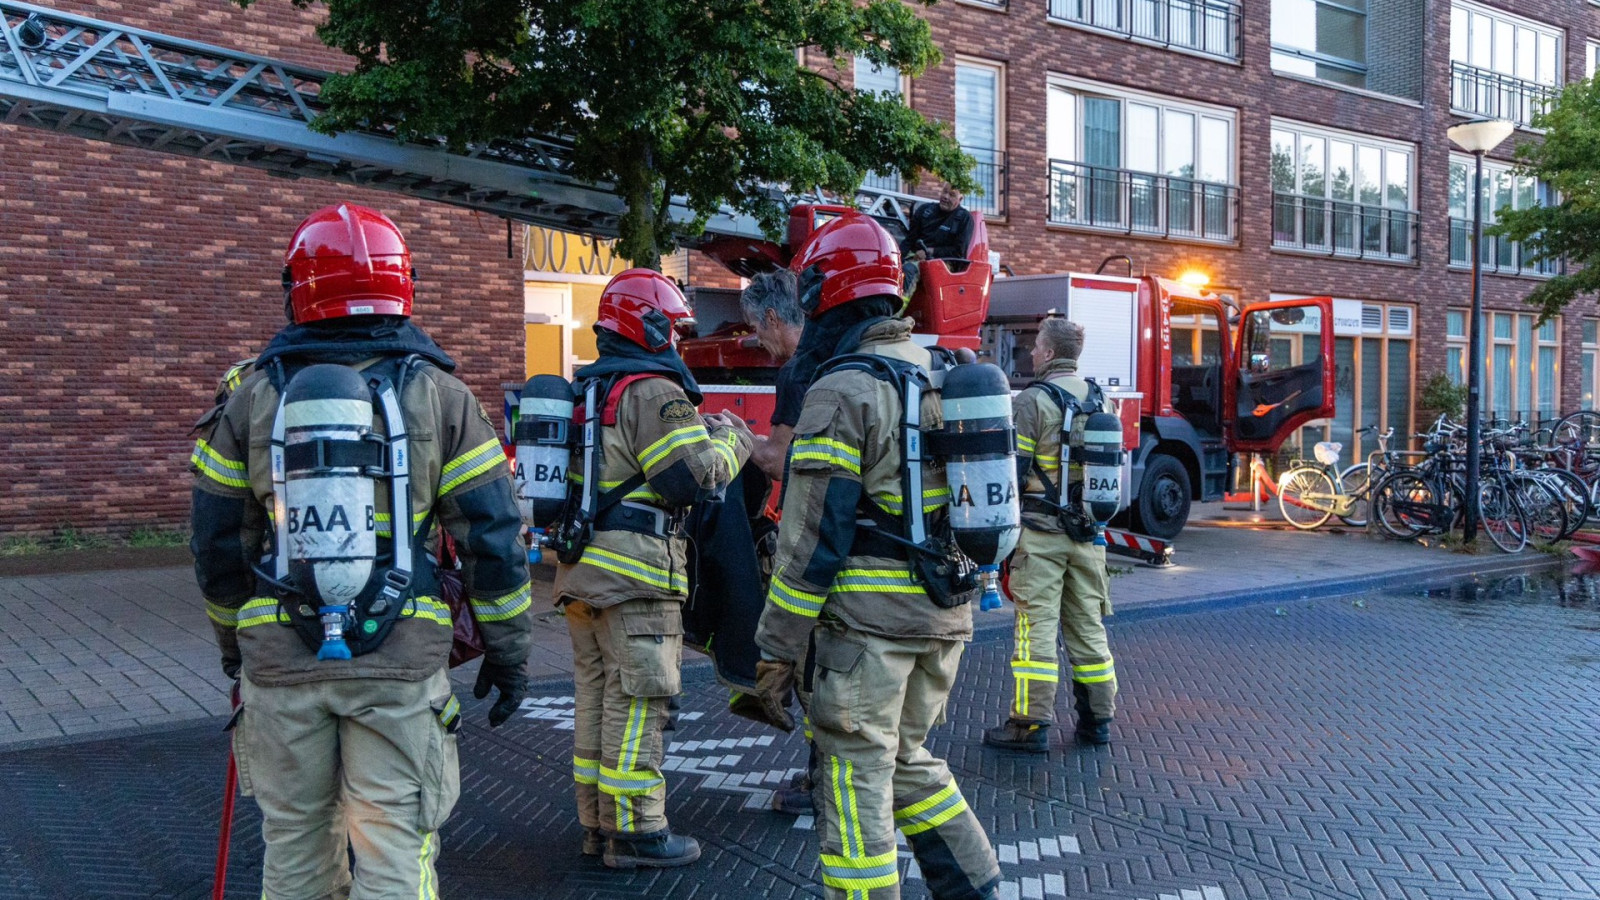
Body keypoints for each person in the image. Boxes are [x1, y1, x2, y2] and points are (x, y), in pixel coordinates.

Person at [190, 202, 533, 899]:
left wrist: (235, 645)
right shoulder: (443, 395)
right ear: (402, 282)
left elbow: (218, 541)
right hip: (400, 663)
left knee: (294, 850)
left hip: (281, 664)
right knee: (395, 851)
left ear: (299, 288)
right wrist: (508, 650)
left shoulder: (251, 398)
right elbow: (492, 535)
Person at [752, 211, 1001, 900]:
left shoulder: (841, 391)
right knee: (904, 757)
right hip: (943, 616)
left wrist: (775, 650)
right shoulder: (941, 374)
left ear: (828, 296)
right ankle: (976, 883)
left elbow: (810, 540)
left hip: (869, 631)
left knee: (855, 777)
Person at [552, 268, 753, 869]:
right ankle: (638, 831)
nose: (674, 338)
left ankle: (597, 824)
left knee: (597, 700)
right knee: (639, 702)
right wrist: (733, 442)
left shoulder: (588, 389)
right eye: (671, 326)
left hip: (583, 575)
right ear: (650, 324)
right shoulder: (653, 391)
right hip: (636, 578)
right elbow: (686, 478)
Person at [982, 317, 1117, 752]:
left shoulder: (1032, 401)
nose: (1032, 352)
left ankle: (1030, 725)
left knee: (1035, 630)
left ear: (1051, 352)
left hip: (1040, 536)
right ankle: (1097, 721)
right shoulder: (1102, 400)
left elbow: (1012, 474)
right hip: (1088, 536)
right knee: (1088, 629)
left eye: (1037, 346)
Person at [739, 270, 806, 482]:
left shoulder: (795, 373)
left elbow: (776, 464)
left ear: (771, 318)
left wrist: (737, 432)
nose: (758, 339)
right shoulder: (832, 356)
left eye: (755, 327)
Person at [899, 184, 974, 298]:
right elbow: (910, 239)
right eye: (944, 192)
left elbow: (959, 252)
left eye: (952, 195)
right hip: (916, 256)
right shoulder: (925, 210)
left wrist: (930, 251)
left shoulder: (964, 218)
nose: (945, 196)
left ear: (960, 199)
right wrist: (896, 259)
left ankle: (897, 312)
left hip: (943, 262)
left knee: (909, 271)